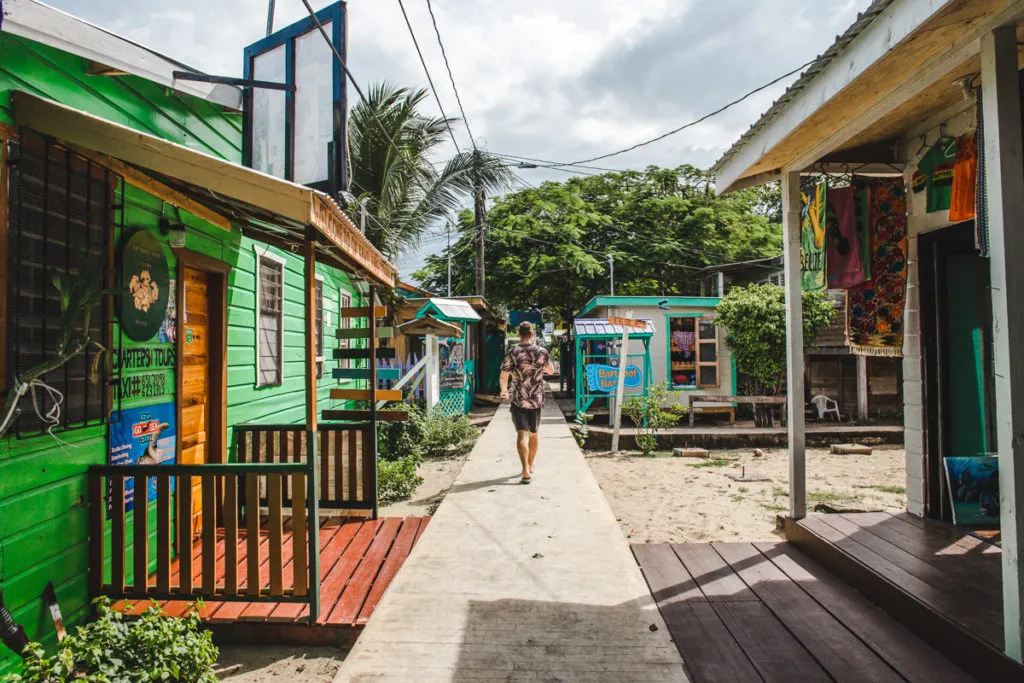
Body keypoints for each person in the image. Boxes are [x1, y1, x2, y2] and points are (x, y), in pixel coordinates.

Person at [500, 322, 555, 484]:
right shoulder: (541, 351)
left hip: (519, 399)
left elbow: (504, 376)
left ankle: (524, 471)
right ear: (532, 335)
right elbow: (551, 370)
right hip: (536, 399)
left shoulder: (512, 352)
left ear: (519, 335)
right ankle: (530, 465)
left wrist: (504, 390)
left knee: (521, 434)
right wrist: (538, 368)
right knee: (533, 434)